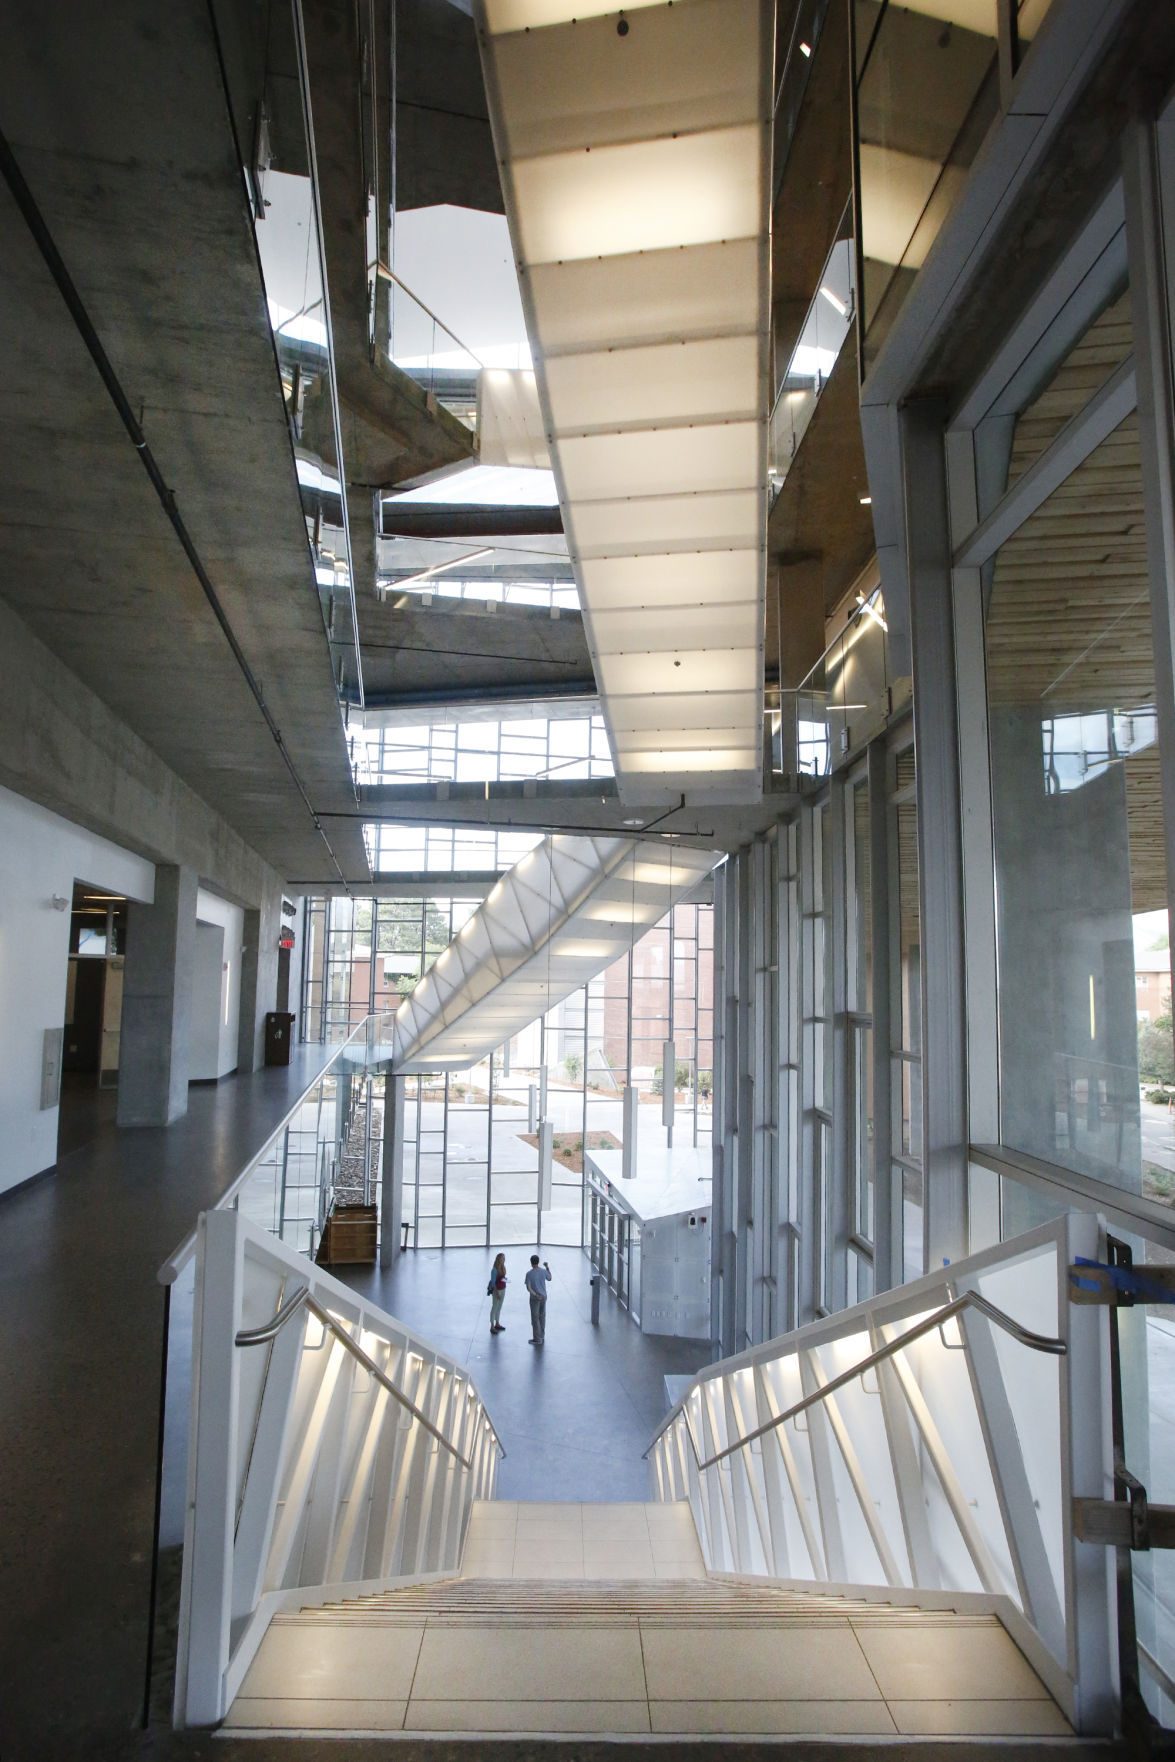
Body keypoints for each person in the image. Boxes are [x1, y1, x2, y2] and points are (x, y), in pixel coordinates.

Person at [524, 1254, 552, 1345]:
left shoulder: (529, 1274)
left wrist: (536, 1295)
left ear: (531, 1262)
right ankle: (542, 1335)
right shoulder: (543, 1271)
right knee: (542, 1316)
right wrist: (547, 1267)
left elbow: (529, 1288)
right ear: (538, 1262)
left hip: (535, 1298)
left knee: (535, 1318)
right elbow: (550, 1278)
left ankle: (537, 1338)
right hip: (544, 1297)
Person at [488, 1253, 507, 1334]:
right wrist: (496, 1293)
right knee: (495, 1306)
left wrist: (505, 1280)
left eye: (504, 1258)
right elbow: (493, 1283)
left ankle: (497, 1323)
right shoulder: (494, 1270)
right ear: (499, 1259)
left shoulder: (503, 1267)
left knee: (499, 1307)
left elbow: (502, 1278)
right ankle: (492, 1325)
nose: (504, 1260)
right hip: (497, 1290)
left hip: (503, 1288)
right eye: (502, 1258)